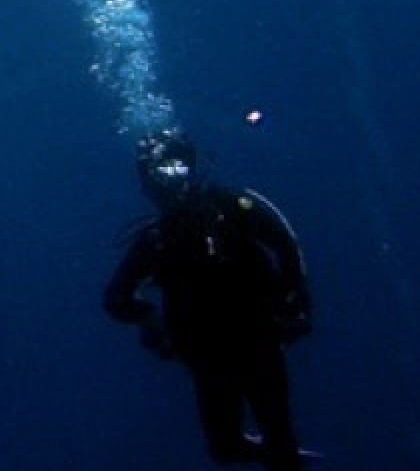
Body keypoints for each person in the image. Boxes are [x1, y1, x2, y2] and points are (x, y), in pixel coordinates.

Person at [102, 130, 314, 468]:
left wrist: (295, 301)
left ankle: (281, 453)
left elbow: (285, 242)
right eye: (160, 171)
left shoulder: (231, 207)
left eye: (176, 166)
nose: (170, 179)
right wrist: (148, 317)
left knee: (274, 442)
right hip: (211, 354)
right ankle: (280, 452)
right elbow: (116, 297)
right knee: (229, 447)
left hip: (256, 339)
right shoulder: (158, 239)